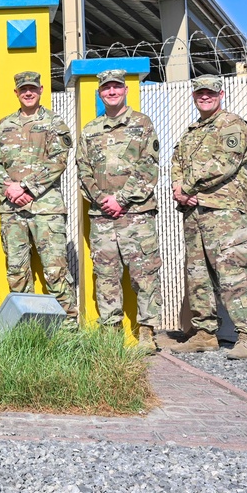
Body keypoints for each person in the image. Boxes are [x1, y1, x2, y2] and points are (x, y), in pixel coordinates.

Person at [170, 75, 247, 359]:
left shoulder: (233, 125)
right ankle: (204, 334)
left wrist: (186, 187)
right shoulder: (191, 132)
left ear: (220, 94)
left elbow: (224, 164)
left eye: (210, 92)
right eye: (200, 93)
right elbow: (177, 165)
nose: (205, 97)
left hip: (225, 213)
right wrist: (179, 191)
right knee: (198, 275)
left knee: (234, 273)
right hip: (194, 213)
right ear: (194, 96)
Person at [75, 69, 162, 353]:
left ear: (125, 90)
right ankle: (110, 332)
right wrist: (102, 200)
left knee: (144, 273)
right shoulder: (90, 130)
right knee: (106, 275)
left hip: (136, 214)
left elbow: (149, 166)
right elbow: (83, 171)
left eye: (116, 87)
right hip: (102, 218)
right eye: (106, 88)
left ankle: (147, 334)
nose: (111, 92)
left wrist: (121, 199)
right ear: (100, 94)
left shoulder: (142, 124)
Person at [0, 71, 76, 323]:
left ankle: (67, 329)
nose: (28, 93)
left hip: (46, 208)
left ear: (40, 90)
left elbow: (58, 160)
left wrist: (26, 188)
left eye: (33, 89)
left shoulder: (54, 123)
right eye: (23, 89)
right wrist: (10, 190)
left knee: (54, 271)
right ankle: (26, 328)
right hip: (12, 210)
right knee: (17, 271)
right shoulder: (4, 126)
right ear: (16, 93)